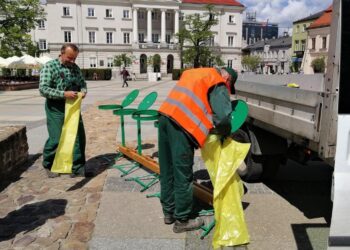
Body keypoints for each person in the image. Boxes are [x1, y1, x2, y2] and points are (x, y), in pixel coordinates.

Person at [158, 67, 238, 233]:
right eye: (229, 86)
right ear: (228, 77)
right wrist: (224, 133)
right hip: (182, 126)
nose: (226, 88)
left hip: (165, 116)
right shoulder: (217, 80)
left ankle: (169, 212)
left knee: (167, 169)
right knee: (183, 173)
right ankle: (182, 220)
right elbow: (223, 116)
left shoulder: (196, 72)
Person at [39, 43, 91, 178]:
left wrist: (84, 91)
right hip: (56, 107)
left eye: (74, 58)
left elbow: (82, 83)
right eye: (70, 58)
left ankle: (77, 167)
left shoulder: (75, 68)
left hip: (73, 106)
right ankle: (48, 164)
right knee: (56, 138)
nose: (72, 61)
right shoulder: (50, 66)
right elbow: (43, 89)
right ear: (61, 53)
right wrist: (63, 94)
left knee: (78, 137)